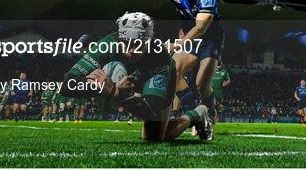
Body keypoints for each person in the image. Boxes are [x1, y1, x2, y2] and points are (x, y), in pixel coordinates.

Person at [60, 11, 212, 141]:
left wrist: (115, 92)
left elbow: (152, 107)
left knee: (156, 137)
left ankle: (198, 113)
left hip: (154, 78)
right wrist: (100, 88)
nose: (131, 50)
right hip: (126, 83)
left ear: (149, 40)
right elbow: (67, 85)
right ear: (119, 38)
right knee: (154, 136)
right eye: (126, 43)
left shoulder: (160, 57)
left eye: (138, 44)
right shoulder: (107, 45)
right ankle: (198, 113)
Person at [124, 0, 224, 136]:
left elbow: (201, 28)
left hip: (210, 39)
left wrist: (178, 44)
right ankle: (193, 113)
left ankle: (210, 112)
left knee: (201, 84)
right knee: (173, 70)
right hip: (189, 37)